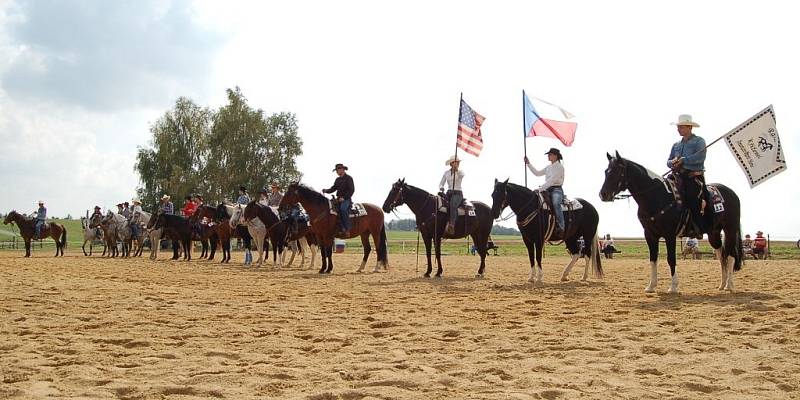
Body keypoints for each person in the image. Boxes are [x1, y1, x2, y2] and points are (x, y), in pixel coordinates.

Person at [667, 114, 707, 239]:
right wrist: (672, 162)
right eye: (678, 127)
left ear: (690, 127)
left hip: (693, 177)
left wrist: (684, 160)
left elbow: (700, 158)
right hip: (677, 176)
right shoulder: (676, 145)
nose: (678, 129)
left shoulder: (699, 141)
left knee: (692, 197)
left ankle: (696, 226)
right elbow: (668, 161)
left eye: (681, 127)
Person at [525, 148, 566, 237]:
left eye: (550, 154)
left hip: (556, 190)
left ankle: (561, 226)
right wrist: (528, 164)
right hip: (547, 189)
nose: (548, 156)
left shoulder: (559, 167)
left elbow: (551, 181)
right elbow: (537, 173)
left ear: (555, 156)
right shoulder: (548, 167)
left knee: (555, 203)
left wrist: (539, 190)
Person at [322, 163, 355, 236]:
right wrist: (326, 190)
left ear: (343, 169)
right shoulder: (337, 179)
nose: (337, 171)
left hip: (346, 199)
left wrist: (344, 198)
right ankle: (337, 228)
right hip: (338, 199)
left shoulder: (349, 178)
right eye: (336, 170)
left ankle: (347, 229)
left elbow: (351, 190)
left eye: (338, 169)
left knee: (343, 209)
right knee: (329, 209)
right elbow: (333, 188)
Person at [439, 155, 465, 235]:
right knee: (438, 202)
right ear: (451, 163)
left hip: (458, 193)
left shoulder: (460, 172)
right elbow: (441, 183)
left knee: (452, 205)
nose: (457, 164)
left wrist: (456, 170)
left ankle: (452, 225)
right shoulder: (446, 173)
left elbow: (461, 176)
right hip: (449, 193)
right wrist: (442, 188)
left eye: (458, 162)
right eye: (455, 162)